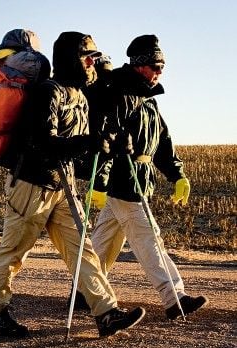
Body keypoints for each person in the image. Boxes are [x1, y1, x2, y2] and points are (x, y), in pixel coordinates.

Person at [0, 31, 146, 338]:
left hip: (62, 186)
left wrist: (106, 146)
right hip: (32, 185)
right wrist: (89, 142)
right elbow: (43, 143)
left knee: (83, 249)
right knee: (14, 252)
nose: (92, 63)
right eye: (88, 57)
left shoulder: (80, 96)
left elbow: (78, 155)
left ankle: (106, 313)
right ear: (72, 59)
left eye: (94, 58)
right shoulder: (48, 92)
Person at [86, 34, 208, 320]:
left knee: (103, 243)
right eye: (155, 65)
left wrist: (178, 175)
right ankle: (174, 298)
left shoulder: (149, 101)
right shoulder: (118, 94)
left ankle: (84, 292)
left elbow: (163, 143)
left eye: (162, 65)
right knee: (149, 238)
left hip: (140, 179)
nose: (160, 71)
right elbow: (105, 141)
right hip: (124, 181)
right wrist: (100, 183)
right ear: (139, 64)